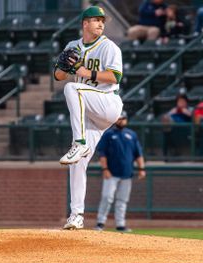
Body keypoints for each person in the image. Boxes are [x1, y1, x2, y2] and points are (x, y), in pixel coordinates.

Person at [54, 6, 123, 230]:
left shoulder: (109, 47)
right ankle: (76, 216)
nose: (101, 24)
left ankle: (79, 143)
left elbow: (114, 76)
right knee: (77, 164)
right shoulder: (72, 46)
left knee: (73, 89)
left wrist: (85, 72)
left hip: (108, 103)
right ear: (85, 23)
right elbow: (58, 75)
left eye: (102, 21)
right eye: (95, 20)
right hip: (90, 112)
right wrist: (64, 67)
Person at [95, 111, 146, 232]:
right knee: (107, 197)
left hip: (126, 173)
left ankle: (120, 224)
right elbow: (102, 154)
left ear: (126, 120)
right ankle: (100, 222)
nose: (121, 120)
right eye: (118, 118)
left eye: (123, 118)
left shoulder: (131, 135)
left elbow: (138, 154)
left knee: (122, 200)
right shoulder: (108, 134)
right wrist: (105, 169)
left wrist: (141, 169)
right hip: (111, 173)